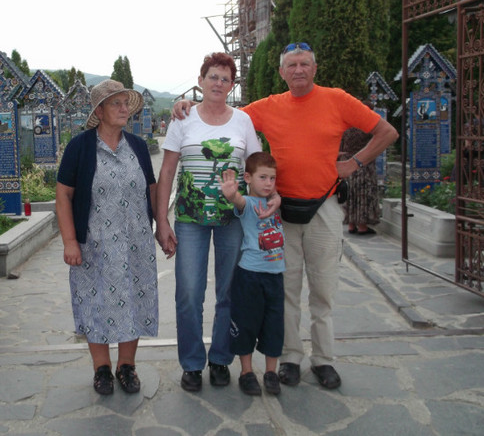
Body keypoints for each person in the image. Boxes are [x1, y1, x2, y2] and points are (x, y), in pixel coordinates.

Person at [173, 43, 398, 390]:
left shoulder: (336, 99)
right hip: (279, 212)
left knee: (323, 290)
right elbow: (221, 115)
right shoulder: (267, 108)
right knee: (286, 290)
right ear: (281, 72)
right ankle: (290, 358)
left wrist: (354, 163)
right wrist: (185, 105)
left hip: (322, 206)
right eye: (291, 65)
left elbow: (387, 131)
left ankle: (323, 360)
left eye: (304, 64)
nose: (298, 70)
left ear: (314, 68)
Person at [156, 52, 273, 393]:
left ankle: (221, 358)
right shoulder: (183, 119)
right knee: (189, 292)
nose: (219, 83)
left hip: (232, 219)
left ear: (232, 85)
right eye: (213, 77)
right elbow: (166, 172)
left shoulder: (243, 121)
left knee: (228, 292)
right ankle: (192, 363)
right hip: (190, 219)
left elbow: (256, 166)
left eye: (225, 78)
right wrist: (162, 221)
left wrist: (270, 195)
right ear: (201, 81)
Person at [55, 79, 158, 395]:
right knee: (95, 302)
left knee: (135, 301)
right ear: (99, 111)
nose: (124, 108)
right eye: (116, 103)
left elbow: (151, 190)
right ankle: (101, 369)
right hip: (94, 246)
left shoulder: (138, 147)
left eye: (125, 102)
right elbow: (63, 195)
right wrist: (70, 241)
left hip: (136, 244)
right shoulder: (80, 147)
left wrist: (163, 226)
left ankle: (127, 366)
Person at [220, 151, 285, 396]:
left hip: (276, 275)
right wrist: (232, 194)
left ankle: (271, 372)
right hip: (250, 276)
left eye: (272, 178)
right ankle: (246, 372)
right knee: (246, 323)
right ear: (248, 177)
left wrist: (277, 196)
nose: (268, 183)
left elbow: (279, 195)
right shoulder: (249, 204)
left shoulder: (275, 202)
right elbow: (239, 201)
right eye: (263, 178)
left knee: (274, 325)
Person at [340, 101, 381, 235]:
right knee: (363, 194)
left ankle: (351, 225)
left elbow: (340, 145)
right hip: (363, 163)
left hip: (347, 163)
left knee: (350, 194)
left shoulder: (346, 126)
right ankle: (362, 226)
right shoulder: (367, 126)